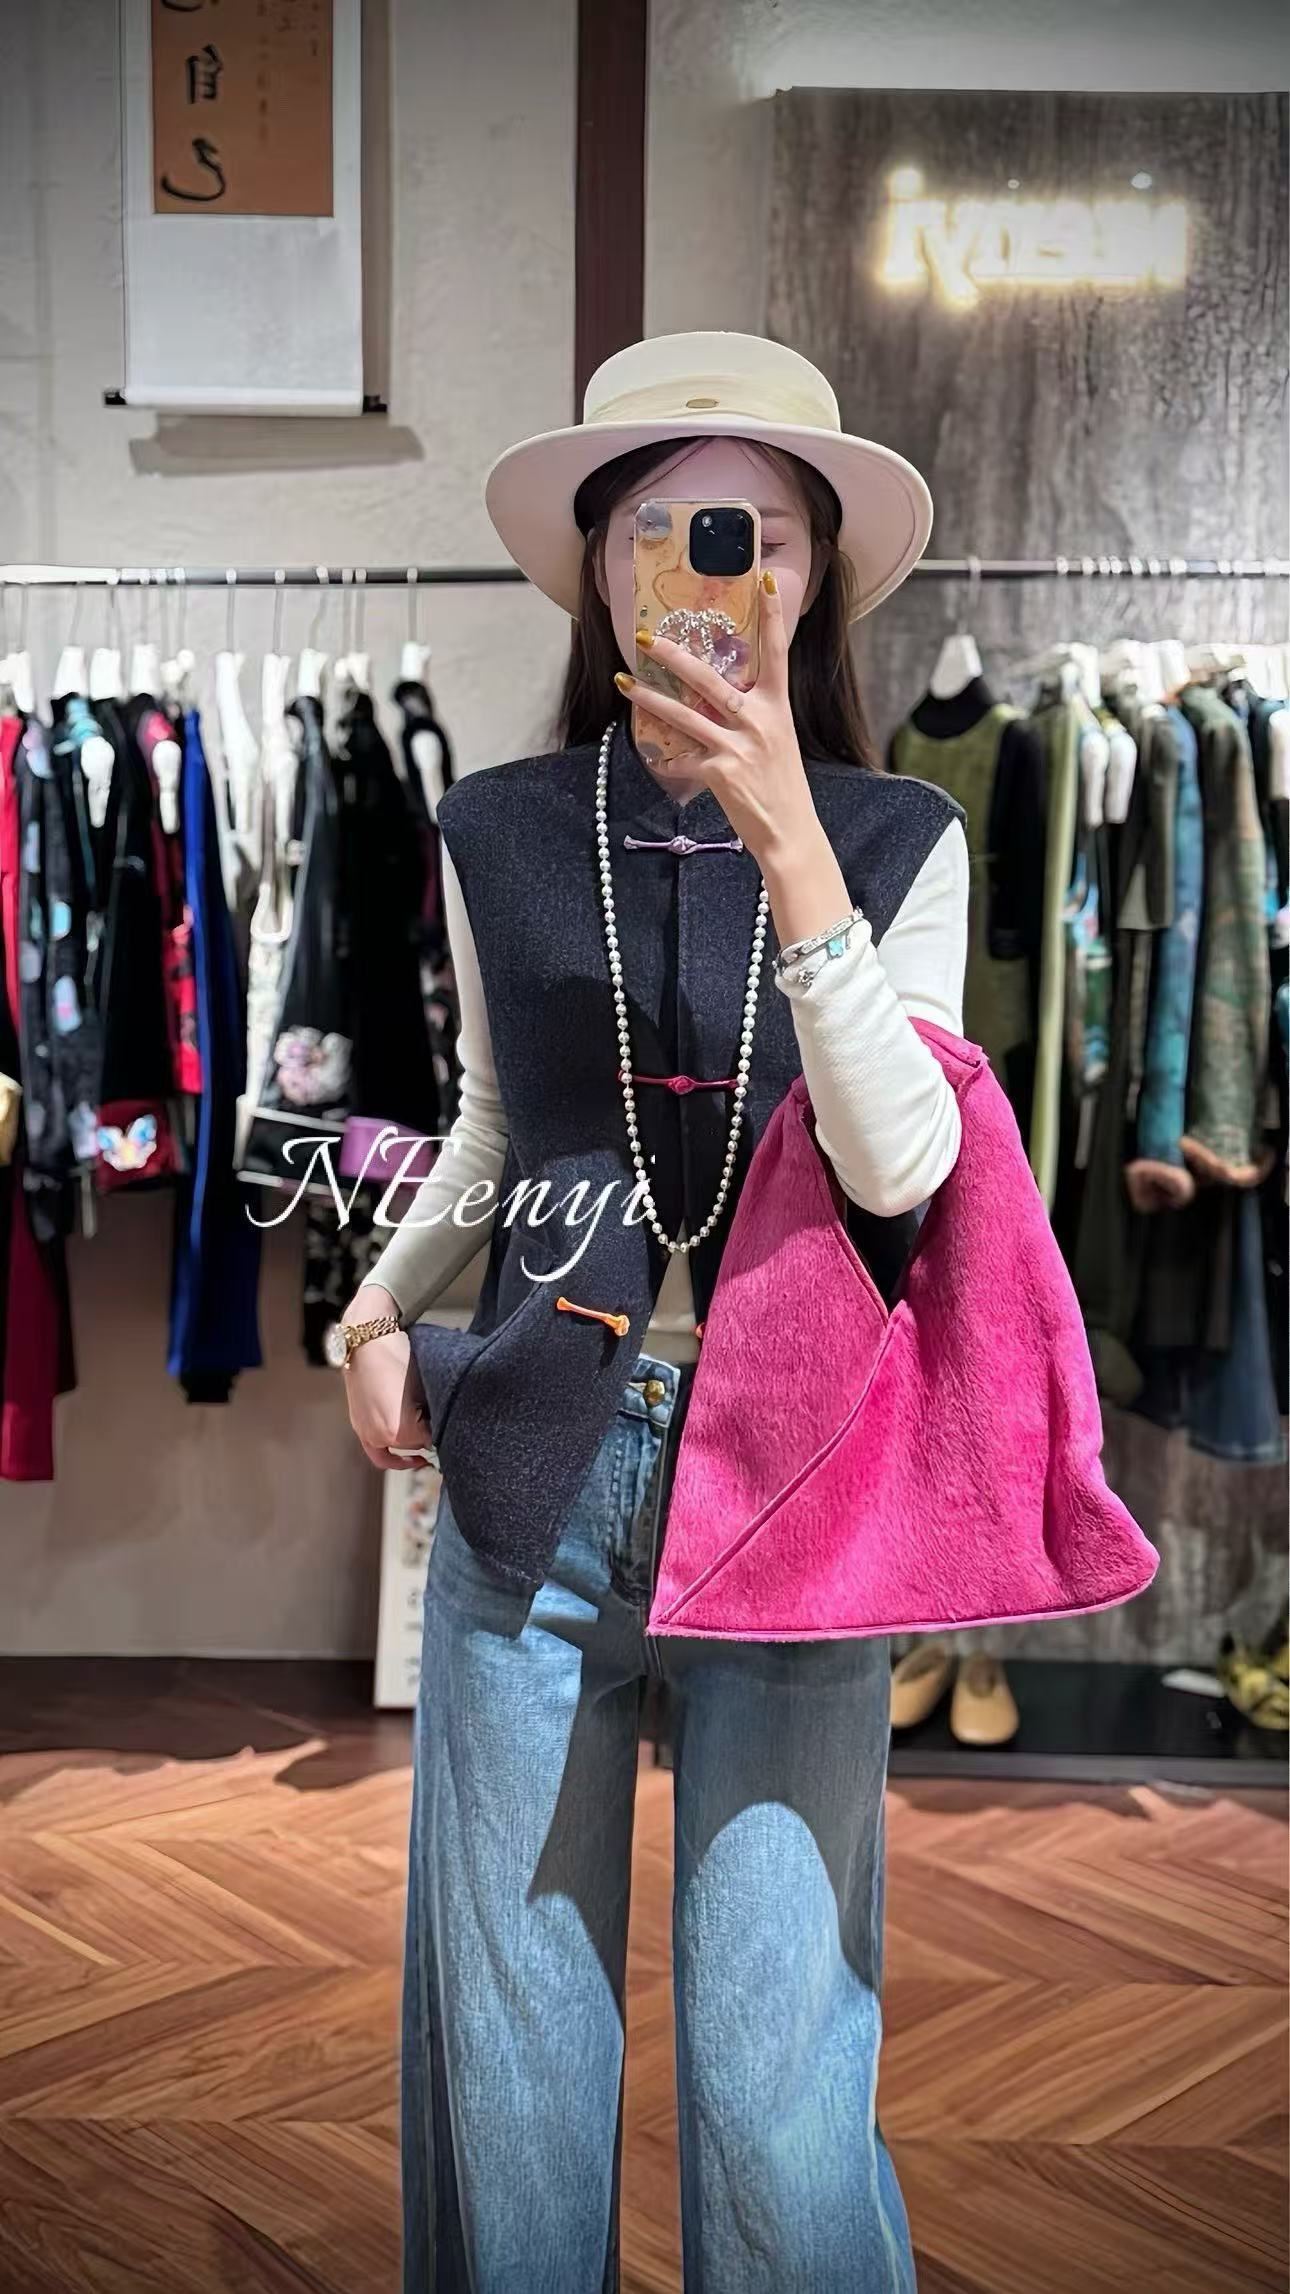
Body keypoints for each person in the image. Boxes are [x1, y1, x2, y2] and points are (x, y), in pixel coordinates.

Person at [338, 332, 969, 2293]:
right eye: (661, 526)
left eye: (753, 529)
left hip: (798, 1482)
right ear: (600, 567)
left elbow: (900, 1168)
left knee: (781, 2067)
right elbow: (496, 1125)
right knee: (510, 2046)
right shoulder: (498, 827)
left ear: (813, 571)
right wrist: (376, 1308)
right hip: (533, 1462)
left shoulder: (900, 837)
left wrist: (788, 834)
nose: (712, 564)